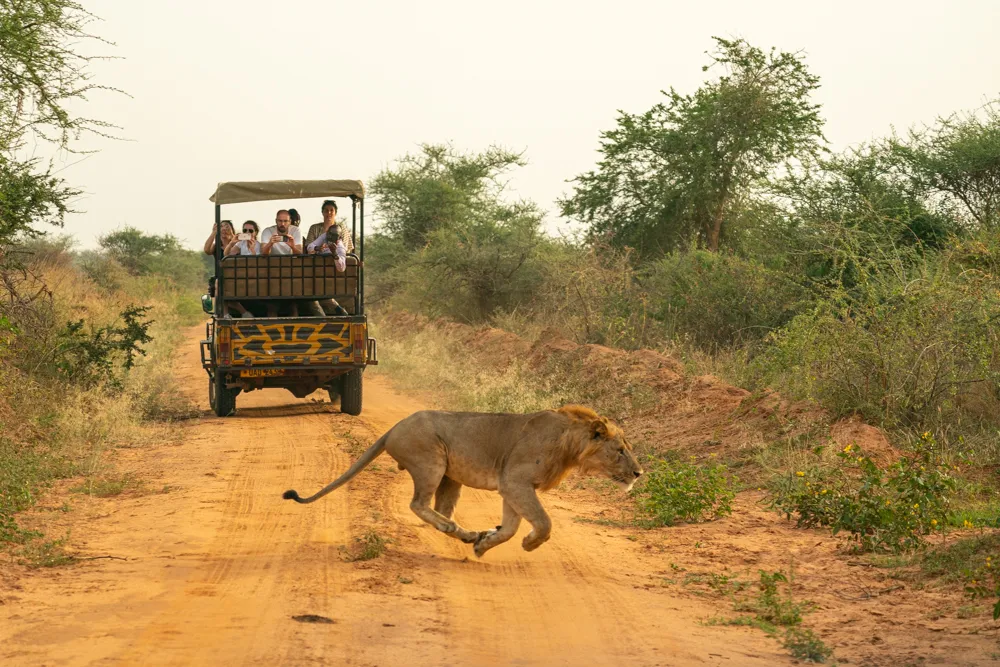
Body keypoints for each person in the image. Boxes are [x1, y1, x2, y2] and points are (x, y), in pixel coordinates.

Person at [304, 223, 350, 316]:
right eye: (328, 234)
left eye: (333, 236)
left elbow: (341, 268)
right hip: (318, 277)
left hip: (331, 280)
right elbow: (309, 247)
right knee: (315, 294)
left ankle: (323, 320)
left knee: (311, 299)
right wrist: (317, 248)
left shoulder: (340, 248)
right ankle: (338, 309)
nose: (329, 237)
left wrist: (334, 254)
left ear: (339, 237)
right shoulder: (324, 237)